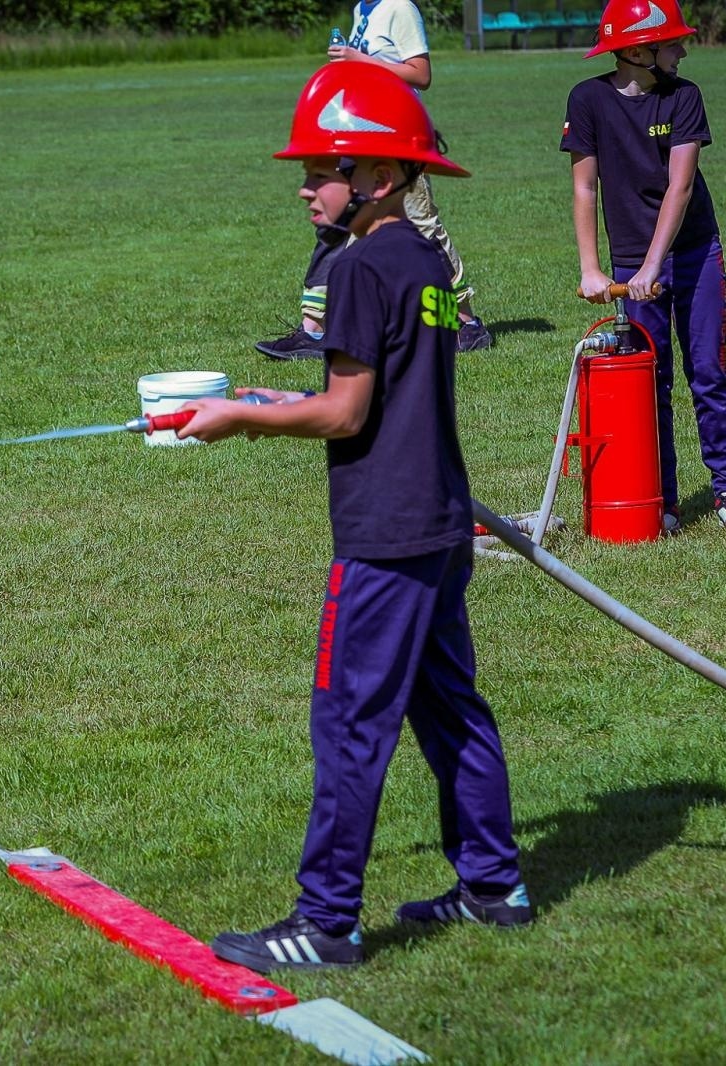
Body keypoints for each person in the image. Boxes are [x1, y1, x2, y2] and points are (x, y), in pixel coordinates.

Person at [180, 62, 531, 972]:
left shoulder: (354, 267)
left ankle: (323, 922)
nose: (305, 184)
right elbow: (378, 380)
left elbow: (345, 414)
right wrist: (276, 394)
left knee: (348, 720)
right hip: (441, 522)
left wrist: (240, 420)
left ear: (377, 176)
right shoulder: (422, 257)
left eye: (324, 168)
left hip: (385, 535)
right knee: (450, 707)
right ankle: (495, 888)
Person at [562, 0, 726, 535]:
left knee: (709, 373)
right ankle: (663, 499)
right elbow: (584, 186)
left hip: (693, 252)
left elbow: (681, 185)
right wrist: (592, 268)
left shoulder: (684, 96)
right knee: (651, 383)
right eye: (671, 41)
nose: (682, 48)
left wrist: (654, 264)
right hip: (631, 261)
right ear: (635, 49)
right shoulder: (587, 100)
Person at [255, 0, 493, 361]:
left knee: (422, 229)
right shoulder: (361, 9)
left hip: (397, 139)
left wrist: (357, 59)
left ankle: (465, 324)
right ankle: (313, 329)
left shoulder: (399, 7)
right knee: (337, 220)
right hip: (360, 135)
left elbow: (421, 74)